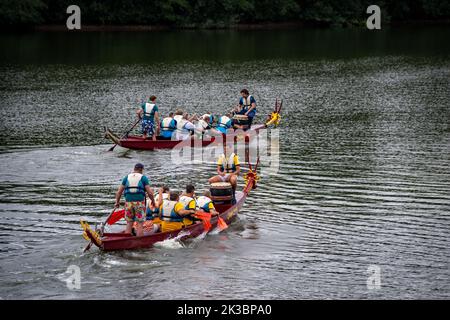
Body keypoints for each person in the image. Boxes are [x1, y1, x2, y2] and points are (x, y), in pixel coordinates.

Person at [115, 163, 155, 237]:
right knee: (140, 223)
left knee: (129, 223)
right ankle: (139, 243)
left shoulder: (126, 177)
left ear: (134, 169)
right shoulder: (143, 178)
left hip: (128, 203)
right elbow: (149, 192)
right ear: (141, 169)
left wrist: (117, 202)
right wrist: (153, 201)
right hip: (139, 203)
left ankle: (126, 241)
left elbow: (119, 192)